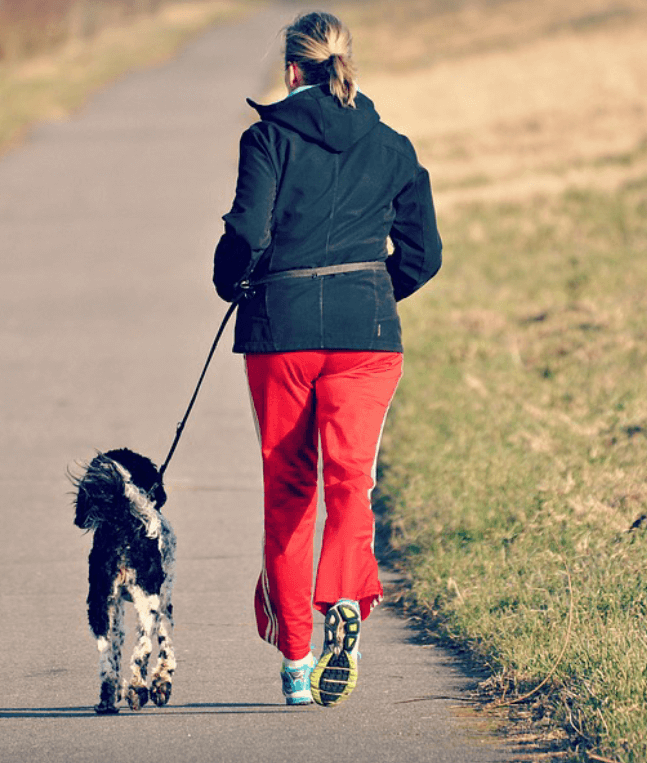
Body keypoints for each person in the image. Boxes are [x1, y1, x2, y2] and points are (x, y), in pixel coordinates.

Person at [212, 10, 441, 707]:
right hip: (367, 335)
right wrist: (372, 291)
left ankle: (297, 663)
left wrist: (232, 282)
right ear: (347, 65)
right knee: (350, 484)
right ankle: (343, 597)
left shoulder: (267, 138)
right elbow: (424, 254)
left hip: (280, 336)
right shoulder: (395, 146)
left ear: (291, 69)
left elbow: (247, 234)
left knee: (289, 495)